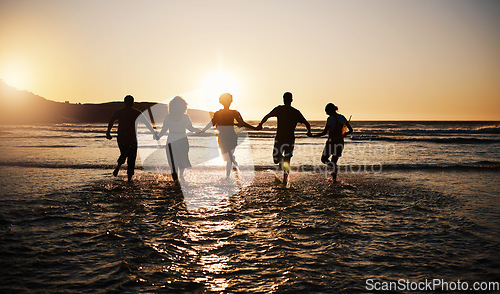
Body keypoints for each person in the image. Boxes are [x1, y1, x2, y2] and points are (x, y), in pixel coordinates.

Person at [256, 92, 311, 184]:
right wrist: (308, 132)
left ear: (284, 99)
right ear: (291, 100)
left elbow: (267, 116)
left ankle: (285, 179)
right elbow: (307, 124)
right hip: (288, 139)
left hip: (281, 138)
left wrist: (261, 124)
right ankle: (285, 177)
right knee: (286, 159)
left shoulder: (280, 109)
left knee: (277, 159)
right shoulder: (295, 112)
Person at [199, 93, 257, 178]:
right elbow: (212, 123)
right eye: (226, 101)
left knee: (228, 158)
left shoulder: (234, 112)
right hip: (222, 137)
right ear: (222, 102)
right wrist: (203, 130)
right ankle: (233, 161)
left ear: (230, 102)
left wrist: (254, 128)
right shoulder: (218, 113)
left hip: (230, 136)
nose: (228, 102)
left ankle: (227, 176)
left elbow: (242, 123)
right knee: (226, 158)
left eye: (229, 101)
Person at [106, 95, 157, 182]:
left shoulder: (119, 112)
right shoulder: (136, 112)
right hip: (132, 138)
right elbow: (147, 123)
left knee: (124, 153)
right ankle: (129, 179)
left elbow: (111, 121)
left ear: (124, 102)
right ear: (133, 103)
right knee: (131, 158)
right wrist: (153, 133)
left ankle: (119, 166)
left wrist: (108, 132)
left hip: (121, 138)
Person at [158, 96, 201, 182]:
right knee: (182, 159)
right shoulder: (185, 117)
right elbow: (191, 129)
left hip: (171, 141)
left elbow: (163, 130)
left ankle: (176, 179)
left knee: (173, 162)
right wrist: (198, 130)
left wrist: (157, 136)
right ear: (183, 107)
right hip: (182, 140)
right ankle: (181, 176)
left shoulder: (168, 117)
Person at [310, 103, 353, 182]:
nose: (326, 113)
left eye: (326, 111)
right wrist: (344, 134)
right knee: (334, 160)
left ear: (329, 110)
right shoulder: (342, 117)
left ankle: (333, 168)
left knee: (324, 159)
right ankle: (334, 179)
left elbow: (324, 133)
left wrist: (313, 136)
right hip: (340, 142)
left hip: (331, 142)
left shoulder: (330, 119)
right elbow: (351, 130)